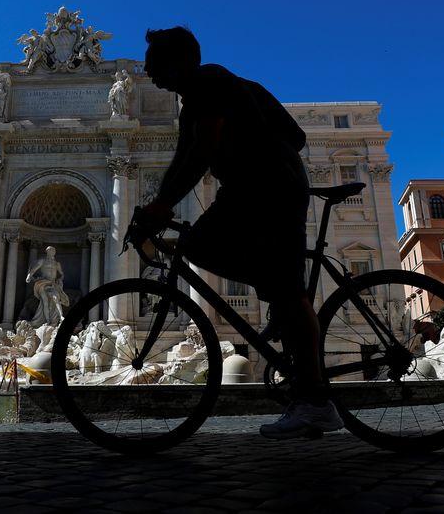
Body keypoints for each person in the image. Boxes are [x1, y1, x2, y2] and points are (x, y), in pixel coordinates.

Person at [139, 26, 343, 439]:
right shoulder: (191, 103)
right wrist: (154, 207)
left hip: (268, 184)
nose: (149, 75)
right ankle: (279, 296)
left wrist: (161, 208)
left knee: (257, 274)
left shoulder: (210, 80)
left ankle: (316, 402)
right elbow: (181, 160)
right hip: (251, 186)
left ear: (177, 61)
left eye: (153, 66)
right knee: (221, 254)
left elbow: (203, 151)